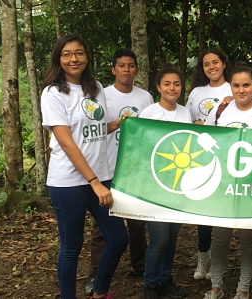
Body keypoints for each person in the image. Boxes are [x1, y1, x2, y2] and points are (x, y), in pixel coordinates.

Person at [40, 34, 128, 299]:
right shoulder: (53, 92)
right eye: (66, 54)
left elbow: (96, 128)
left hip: (100, 176)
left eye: (78, 53)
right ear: (58, 58)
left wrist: (120, 124)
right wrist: (94, 182)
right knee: (71, 247)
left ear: (86, 57)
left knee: (118, 239)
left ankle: (99, 292)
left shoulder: (96, 87)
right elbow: (67, 142)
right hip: (69, 182)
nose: (73, 59)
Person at [203, 63, 252, 299]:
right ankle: (216, 287)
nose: (241, 90)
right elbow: (206, 140)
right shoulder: (220, 112)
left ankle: (243, 289)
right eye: (236, 85)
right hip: (223, 184)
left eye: (246, 85)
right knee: (220, 238)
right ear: (230, 86)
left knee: (248, 238)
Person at [84, 48, 154, 295]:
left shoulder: (145, 97)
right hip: (107, 167)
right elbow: (93, 126)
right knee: (102, 226)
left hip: (135, 168)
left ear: (136, 69)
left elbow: (149, 130)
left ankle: (140, 266)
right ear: (113, 69)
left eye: (131, 65)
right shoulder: (101, 95)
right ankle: (95, 275)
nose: (127, 69)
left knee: (137, 223)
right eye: (121, 65)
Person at [140, 63, 190, 299]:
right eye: (167, 84)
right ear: (158, 86)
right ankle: (149, 285)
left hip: (178, 186)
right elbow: (140, 148)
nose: (172, 88)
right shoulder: (149, 113)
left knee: (171, 239)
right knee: (158, 239)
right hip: (155, 186)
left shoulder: (185, 112)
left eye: (177, 84)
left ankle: (165, 279)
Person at [186, 48, 233, 281]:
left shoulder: (234, 87)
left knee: (220, 210)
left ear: (224, 64)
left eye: (216, 62)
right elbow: (187, 120)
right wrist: (195, 123)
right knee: (202, 210)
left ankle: (217, 257)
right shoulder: (196, 92)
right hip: (201, 155)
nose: (211, 67)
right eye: (206, 64)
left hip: (226, 155)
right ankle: (202, 255)